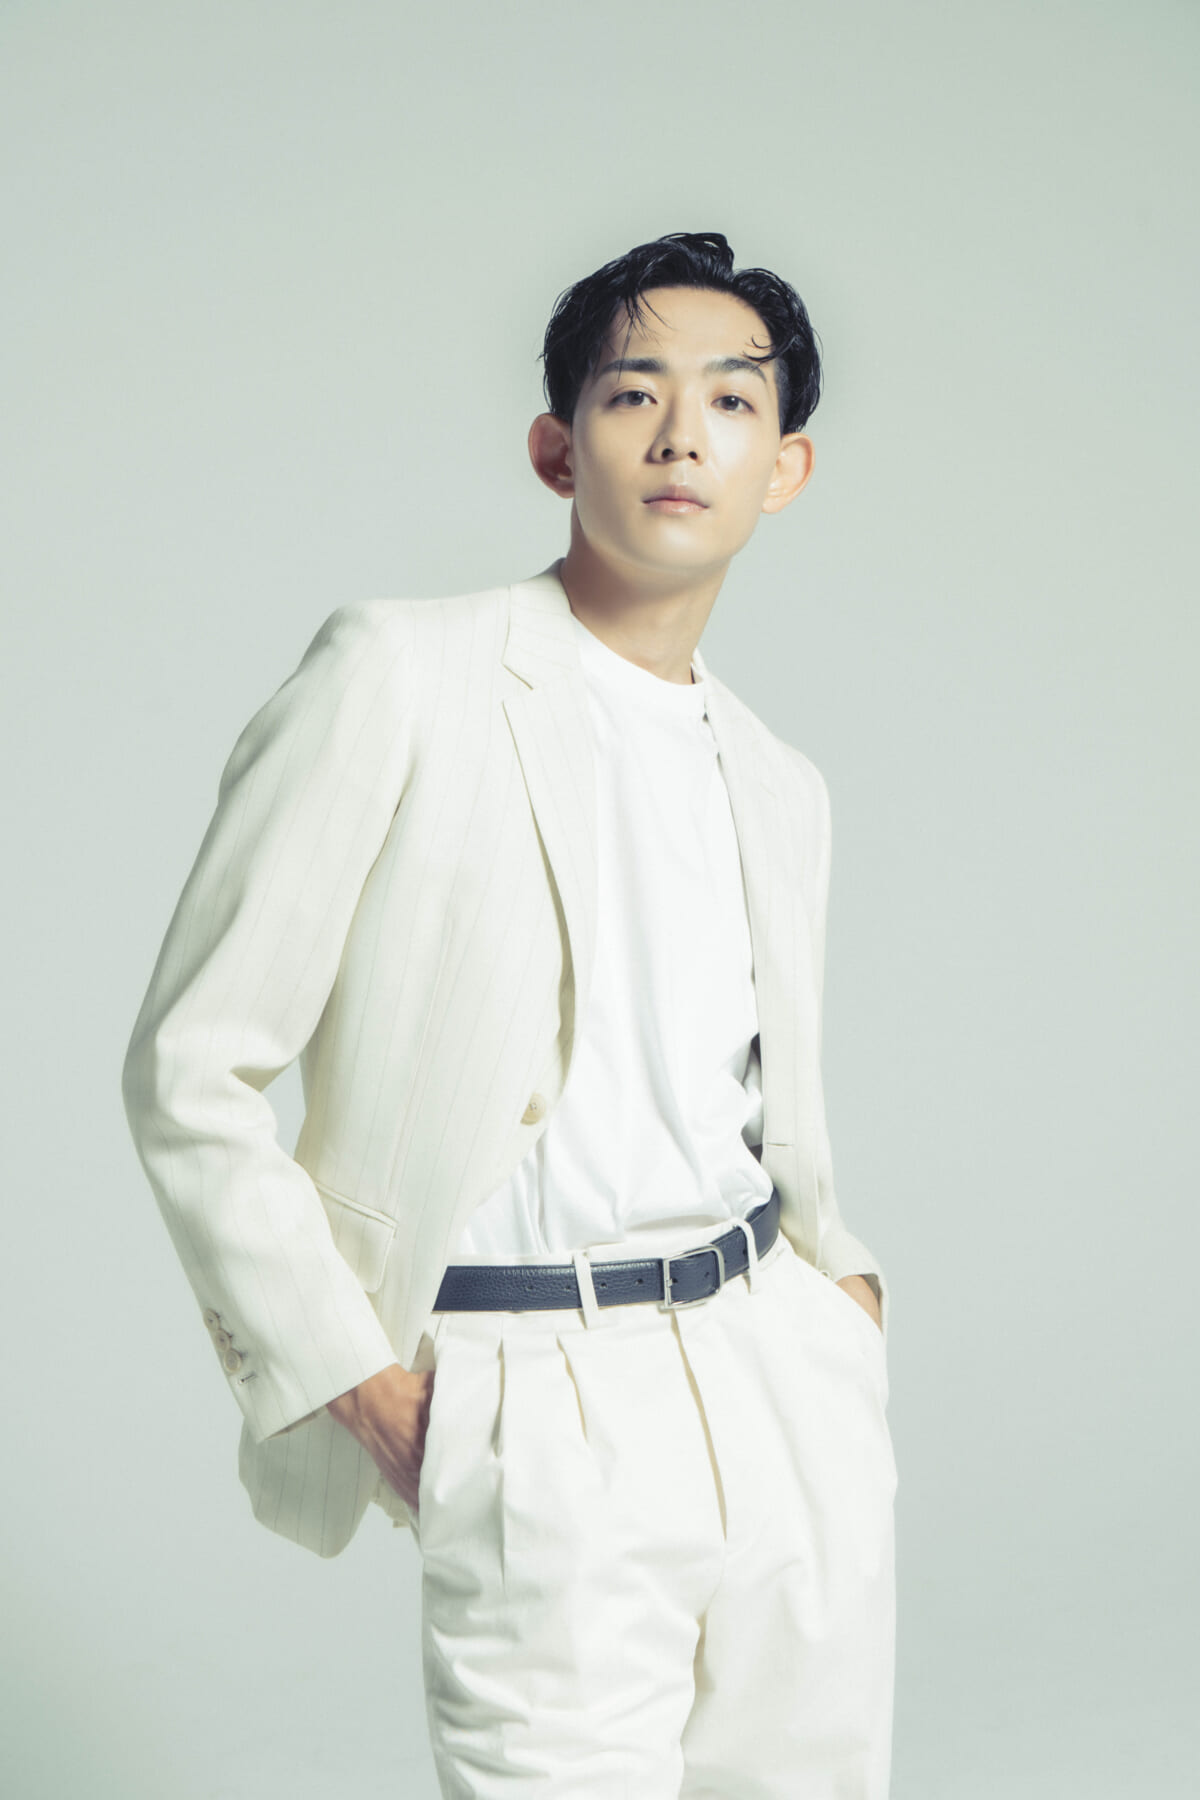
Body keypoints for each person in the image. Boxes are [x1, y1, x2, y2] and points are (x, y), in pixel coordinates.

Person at [122, 228, 897, 1797]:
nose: (680, 435)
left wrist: (845, 1302)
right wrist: (357, 1381)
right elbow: (189, 1073)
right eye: (632, 393)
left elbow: (760, 1102)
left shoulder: (781, 782)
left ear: (786, 467)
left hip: (779, 1386)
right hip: (532, 1395)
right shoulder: (401, 675)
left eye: (730, 401)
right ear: (558, 448)